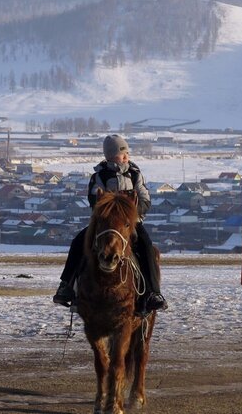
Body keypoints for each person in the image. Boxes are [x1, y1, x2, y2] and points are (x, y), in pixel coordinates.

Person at [53, 134, 168, 313]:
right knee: (78, 242)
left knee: (146, 246)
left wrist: (130, 213)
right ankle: (66, 285)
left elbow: (145, 199)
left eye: (126, 153)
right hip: (104, 225)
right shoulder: (99, 175)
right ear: (111, 156)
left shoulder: (135, 174)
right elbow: (94, 200)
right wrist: (110, 208)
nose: (126, 157)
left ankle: (153, 292)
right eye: (122, 154)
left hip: (130, 224)